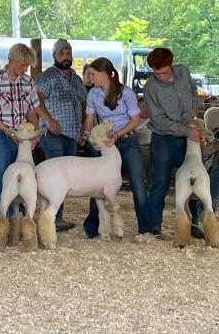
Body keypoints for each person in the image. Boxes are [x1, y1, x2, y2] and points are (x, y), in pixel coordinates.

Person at [81, 57, 150, 238]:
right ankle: (92, 228)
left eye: (93, 74)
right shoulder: (92, 94)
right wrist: (88, 136)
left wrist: (117, 134)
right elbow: (89, 119)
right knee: (97, 184)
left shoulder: (126, 93)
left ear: (105, 74)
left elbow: (135, 120)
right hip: (104, 143)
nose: (90, 78)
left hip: (126, 140)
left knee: (137, 183)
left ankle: (146, 229)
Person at [0, 43, 47, 228]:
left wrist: (34, 133)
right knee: (2, 180)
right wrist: (9, 131)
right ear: (12, 60)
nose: (25, 68)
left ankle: (17, 225)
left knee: (26, 181)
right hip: (3, 136)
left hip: (24, 137)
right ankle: (0, 226)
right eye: (22, 64)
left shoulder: (27, 82)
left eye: (27, 65)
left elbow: (33, 111)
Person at [144, 47, 203, 239]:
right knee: (159, 182)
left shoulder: (183, 71)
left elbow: (194, 91)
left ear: (171, 63)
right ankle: (153, 227)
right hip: (164, 138)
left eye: (164, 72)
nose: (161, 76)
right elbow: (159, 120)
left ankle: (192, 223)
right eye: (156, 73)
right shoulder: (150, 88)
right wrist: (189, 131)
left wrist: (194, 109)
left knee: (194, 177)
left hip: (188, 133)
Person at [35, 39, 87, 231]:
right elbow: (36, 99)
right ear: (54, 56)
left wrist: (82, 126)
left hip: (72, 133)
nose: (66, 57)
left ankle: (57, 216)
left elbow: (83, 101)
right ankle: (51, 217)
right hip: (52, 132)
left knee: (67, 176)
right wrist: (48, 120)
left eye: (68, 53)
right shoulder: (46, 76)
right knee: (56, 174)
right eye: (62, 54)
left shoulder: (76, 78)